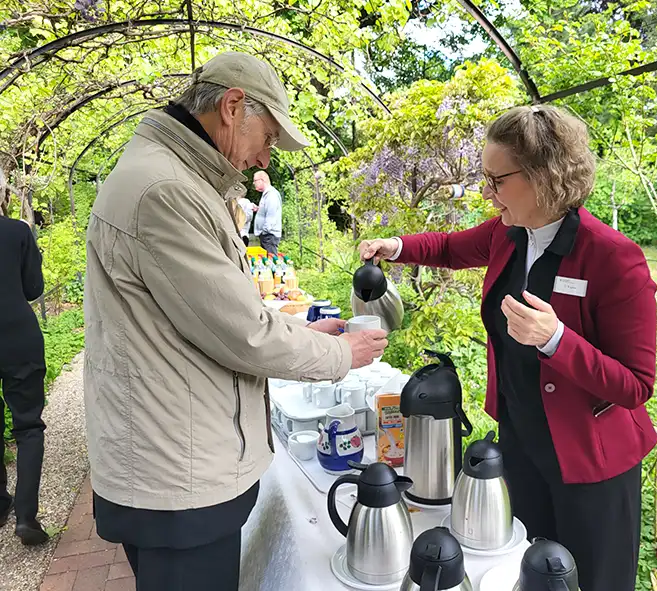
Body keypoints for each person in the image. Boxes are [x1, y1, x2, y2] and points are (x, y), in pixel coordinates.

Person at [84, 51, 388, 591]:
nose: (264, 155)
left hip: (174, 462)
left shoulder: (169, 175)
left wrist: (300, 335)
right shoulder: (167, 192)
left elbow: (215, 314)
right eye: (268, 137)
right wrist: (343, 355)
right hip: (176, 477)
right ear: (231, 107)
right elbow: (243, 334)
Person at [359, 105, 657, 591]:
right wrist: (397, 245)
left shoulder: (613, 259)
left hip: (591, 463)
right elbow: (452, 248)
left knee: (593, 580)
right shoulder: (509, 233)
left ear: (544, 176)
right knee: (522, 571)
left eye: (496, 180)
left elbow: (635, 386)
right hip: (521, 443)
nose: (486, 191)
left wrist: (556, 339)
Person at [0, 216, 49, 546]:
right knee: (28, 426)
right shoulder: (16, 231)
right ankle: (26, 516)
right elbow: (34, 288)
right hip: (18, 336)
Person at [253, 170, 282, 255]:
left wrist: (264, 231)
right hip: (267, 236)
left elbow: (271, 217)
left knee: (271, 262)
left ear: (262, 180)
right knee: (267, 262)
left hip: (269, 236)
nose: (254, 183)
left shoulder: (271, 195)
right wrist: (259, 210)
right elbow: (268, 211)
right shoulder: (266, 194)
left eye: (255, 181)